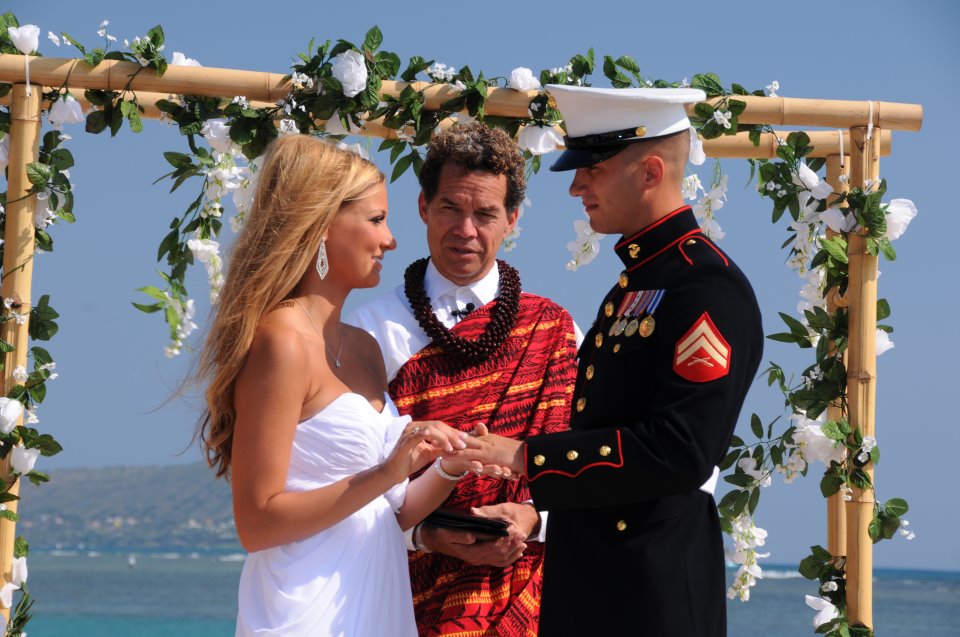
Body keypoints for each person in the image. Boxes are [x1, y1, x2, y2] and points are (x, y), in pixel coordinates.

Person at [460, 86, 764, 636]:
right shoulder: (639, 283)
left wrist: (528, 456)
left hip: (652, 592)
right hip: (602, 580)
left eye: (591, 169)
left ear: (650, 171)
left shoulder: (704, 286)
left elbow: (681, 450)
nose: (576, 186)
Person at [196, 135, 498, 637]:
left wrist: (446, 467)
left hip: (373, 601)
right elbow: (256, 523)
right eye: (376, 219)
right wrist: (388, 470)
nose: (391, 240)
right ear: (321, 226)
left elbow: (386, 514)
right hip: (305, 609)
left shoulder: (363, 348)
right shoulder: (282, 342)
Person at [346, 122, 579, 637]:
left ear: (512, 219)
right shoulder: (370, 332)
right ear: (424, 206)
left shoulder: (558, 331)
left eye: (486, 214)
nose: (466, 229)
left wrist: (532, 520)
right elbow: (346, 491)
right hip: (400, 603)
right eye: (451, 207)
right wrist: (427, 535)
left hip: (532, 605)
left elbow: (590, 469)